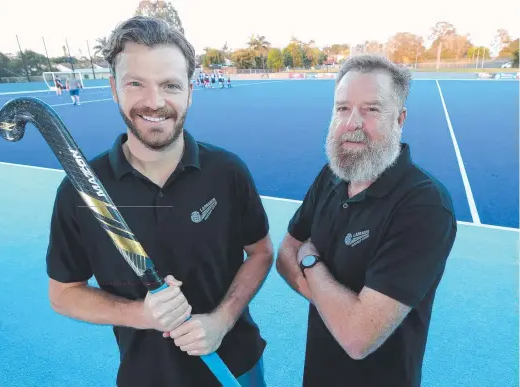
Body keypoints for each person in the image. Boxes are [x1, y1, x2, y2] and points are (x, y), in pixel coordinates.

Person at [46, 16, 273, 387]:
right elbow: (63, 294)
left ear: (190, 90)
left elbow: (261, 252)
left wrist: (221, 320)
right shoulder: (80, 191)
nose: (154, 102)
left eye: (170, 84)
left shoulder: (227, 172)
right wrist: (142, 315)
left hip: (236, 365)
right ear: (114, 88)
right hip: (147, 376)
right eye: (136, 83)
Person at [276, 54, 457, 387]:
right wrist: (341, 311)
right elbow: (285, 253)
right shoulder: (331, 177)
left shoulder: (425, 205)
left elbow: (357, 338)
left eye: (371, 109)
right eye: (342, 108)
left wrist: (311, 260)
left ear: (399, 118)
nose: (352, 122)